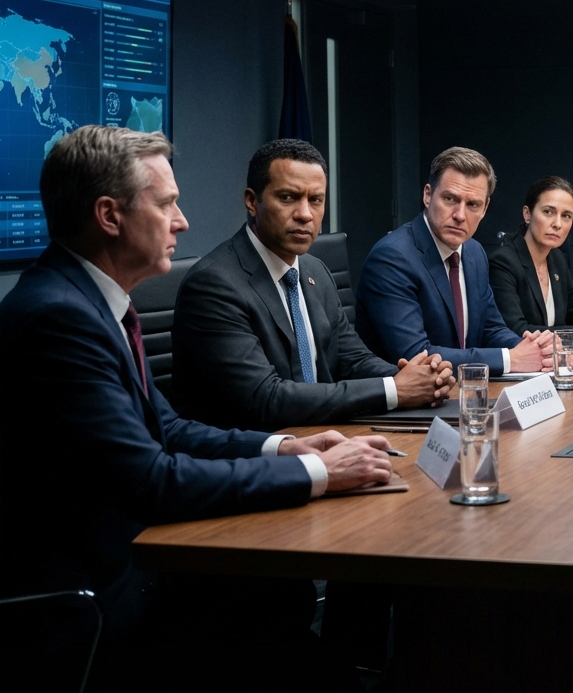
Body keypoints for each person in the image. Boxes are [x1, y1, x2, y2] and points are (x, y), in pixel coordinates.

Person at [0, 127, 394, 689]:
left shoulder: (88, 302)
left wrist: (287, 446)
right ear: (110, 216)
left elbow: (169, 427)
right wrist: (317, 473)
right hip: (97, 604)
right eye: (166, 204)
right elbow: (151, 481)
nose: (183, 222)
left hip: (150, 569)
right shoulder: (59, 318)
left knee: (297, 633)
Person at [173, 140, 454, 430]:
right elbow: (266, 399)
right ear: (251, 201)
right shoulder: (213, 285)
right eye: (288, 197)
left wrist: (417, 377)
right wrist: (394, 390)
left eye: (315, 200)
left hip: (321, 435)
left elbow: (352, 360)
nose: (305, 214)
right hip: (251, 454)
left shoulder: (314, 270)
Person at [356, 147, 552, 374]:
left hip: (461, 392)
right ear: (427, 195)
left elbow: (491, 328)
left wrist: (532, 348)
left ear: (485, 208)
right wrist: (510, 359)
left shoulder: (474, 252)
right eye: (450, 199)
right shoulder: (392, 258)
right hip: (406, 403)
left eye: (472, 205)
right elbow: (415, 354)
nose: (460, 215)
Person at [489, 176, 573, 342]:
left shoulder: (557, 260)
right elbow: (517, 330)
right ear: (527, 214)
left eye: (566, 216)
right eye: (548, 212)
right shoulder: (503, 262)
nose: (558, 224)